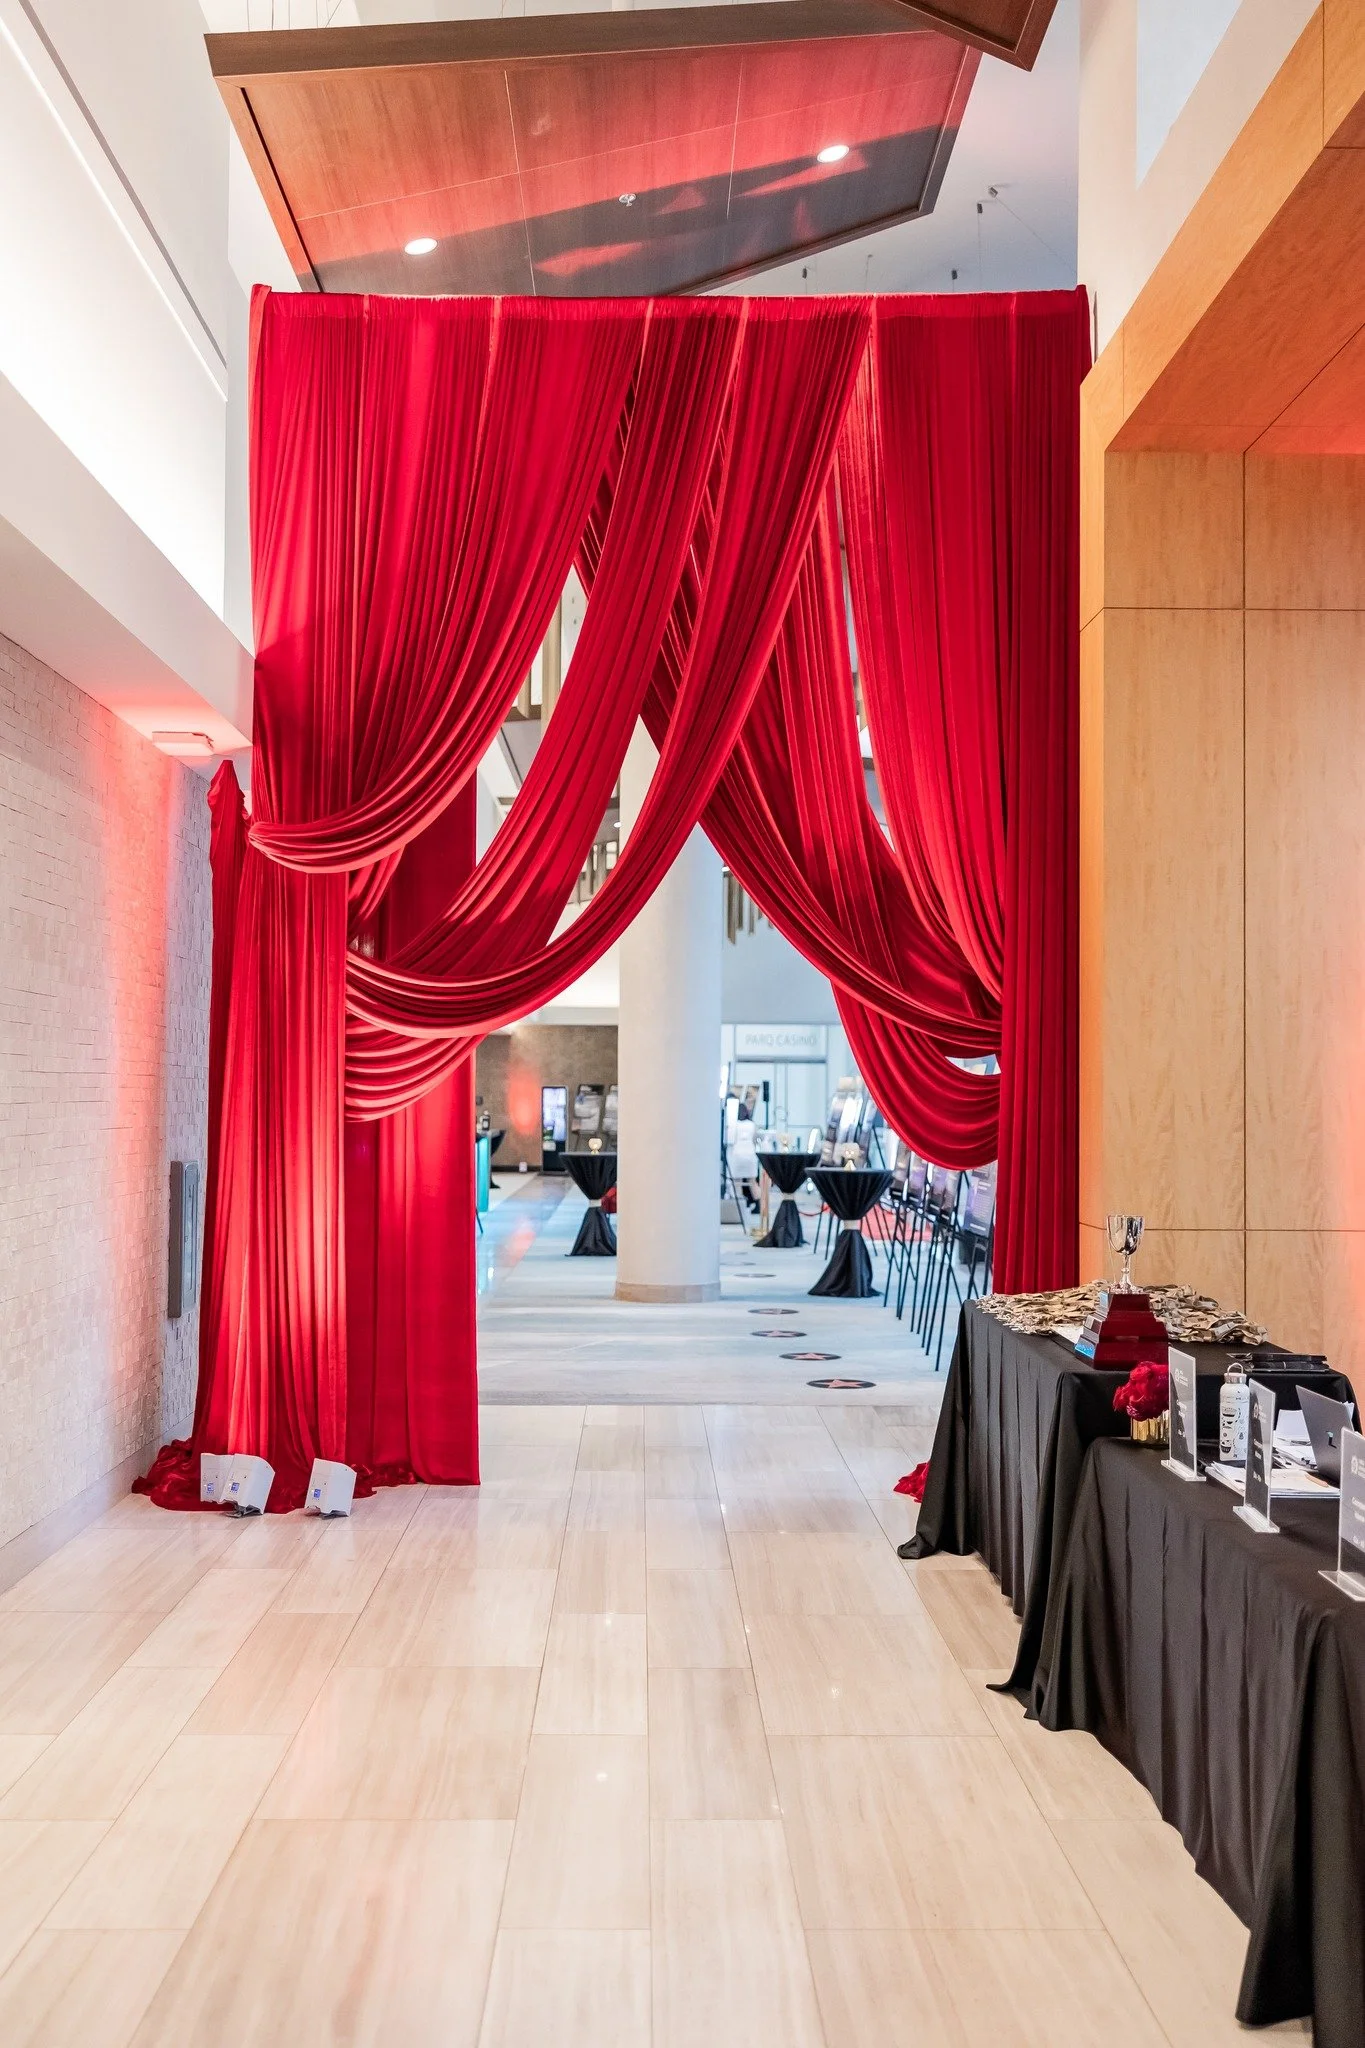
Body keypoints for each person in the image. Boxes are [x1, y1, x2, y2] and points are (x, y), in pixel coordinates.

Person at [727, 1086, 762, 1214]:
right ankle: (758, 1204)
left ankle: (740, 1207)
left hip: (737, 1154)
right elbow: (755, 1140)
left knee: (737, 1182)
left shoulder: (734, 1125)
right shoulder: (752, 1125)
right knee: (752, 1182)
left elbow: (731, 1139)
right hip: (750, 1155)